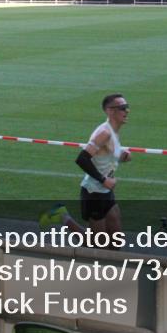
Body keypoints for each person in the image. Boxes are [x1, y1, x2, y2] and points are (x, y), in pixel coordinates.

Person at [38, 93, 131, 245]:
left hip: (106, 192)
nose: (126, 111)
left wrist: (121, 156)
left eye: (127, 107)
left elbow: (102, 156)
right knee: (96, 245)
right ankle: (63, 216)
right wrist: (103, 180)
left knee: (116, 243)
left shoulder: (113, 131)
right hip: (93, 192)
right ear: (110, 111)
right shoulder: (104, 133)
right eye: (122, 108)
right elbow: (82, 159)